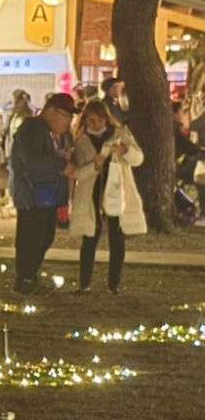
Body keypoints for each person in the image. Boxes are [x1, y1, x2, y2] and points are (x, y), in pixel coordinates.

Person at [67, 97, 145, 294]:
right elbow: (77, 173)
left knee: (117, 238)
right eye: (92, 120)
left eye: (100, 120)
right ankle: (84, 283)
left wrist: (125, 150)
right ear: (85, 120)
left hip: (117, 192)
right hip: (91, 194)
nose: (96, 124)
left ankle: (114, 284)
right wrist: (95, 165)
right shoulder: (81, 141)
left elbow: (138, 159)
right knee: (90, 238)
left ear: (107, 119)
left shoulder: (120, 135)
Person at [9, 93, 74, 294]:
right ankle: (25, 278)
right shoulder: (32, 129)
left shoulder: (46, 132)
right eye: (66, 116)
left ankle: (29, 276)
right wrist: (61, 164)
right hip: (32, 194)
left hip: (44, 196)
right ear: (51, 111)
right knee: (33, 237)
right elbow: (31, 161)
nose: (68, 122)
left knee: (45, 236)